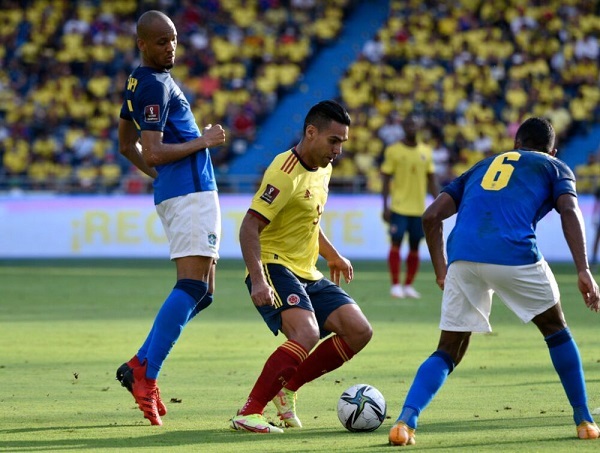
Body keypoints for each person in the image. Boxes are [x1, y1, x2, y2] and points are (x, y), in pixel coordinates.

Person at [388, 117, 600, 446]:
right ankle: (584, 420)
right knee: (556, 331)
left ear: (516, 144)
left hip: (463, 256)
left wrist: (442, 270)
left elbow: (431, 217)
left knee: (448, 349)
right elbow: (570, 211)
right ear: (553, 150)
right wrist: (583, 269)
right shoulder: (554, 167)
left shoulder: (481, 166)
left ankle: (405, 422)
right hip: (514, 253)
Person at [230, 100, 373, 434]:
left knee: (359, 331)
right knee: (306, 333)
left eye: (342, 142)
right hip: (274, 266)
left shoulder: (324, 166)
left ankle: (287, 388)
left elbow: (308, 219)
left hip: (307, 271)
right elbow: (250, 227)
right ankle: (249, 411)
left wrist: (333, 255)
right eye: (333, 141)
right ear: (311, 132)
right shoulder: (284, 172)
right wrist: (258, 280)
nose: (338, 150)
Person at [114, 10, 226, 426]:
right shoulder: (154, 86)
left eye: (174, 39)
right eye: (162, 41)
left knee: (204, 292)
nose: (171, 47)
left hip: (183, 193)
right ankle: (147, 373)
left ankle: (139, 364)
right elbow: (153, 150)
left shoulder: (137, 81)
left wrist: (159, 177)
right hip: (191, 195)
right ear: (142, 43)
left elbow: (127, 146)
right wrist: (205, 140)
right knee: (193, 285)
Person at [381, 114, 439, 299]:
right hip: (398, 206)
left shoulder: (426, 151)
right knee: (396, 242)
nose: (411, 128)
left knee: (415, 246)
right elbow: (385, 179)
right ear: (403, 127)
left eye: (414, 124)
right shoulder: (393, 151)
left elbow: (431, 179)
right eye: (408, 124)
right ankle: (395, 284)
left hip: (418, 208)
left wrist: (438, 204)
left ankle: (408, 286)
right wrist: (385, 205)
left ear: (420, 126)